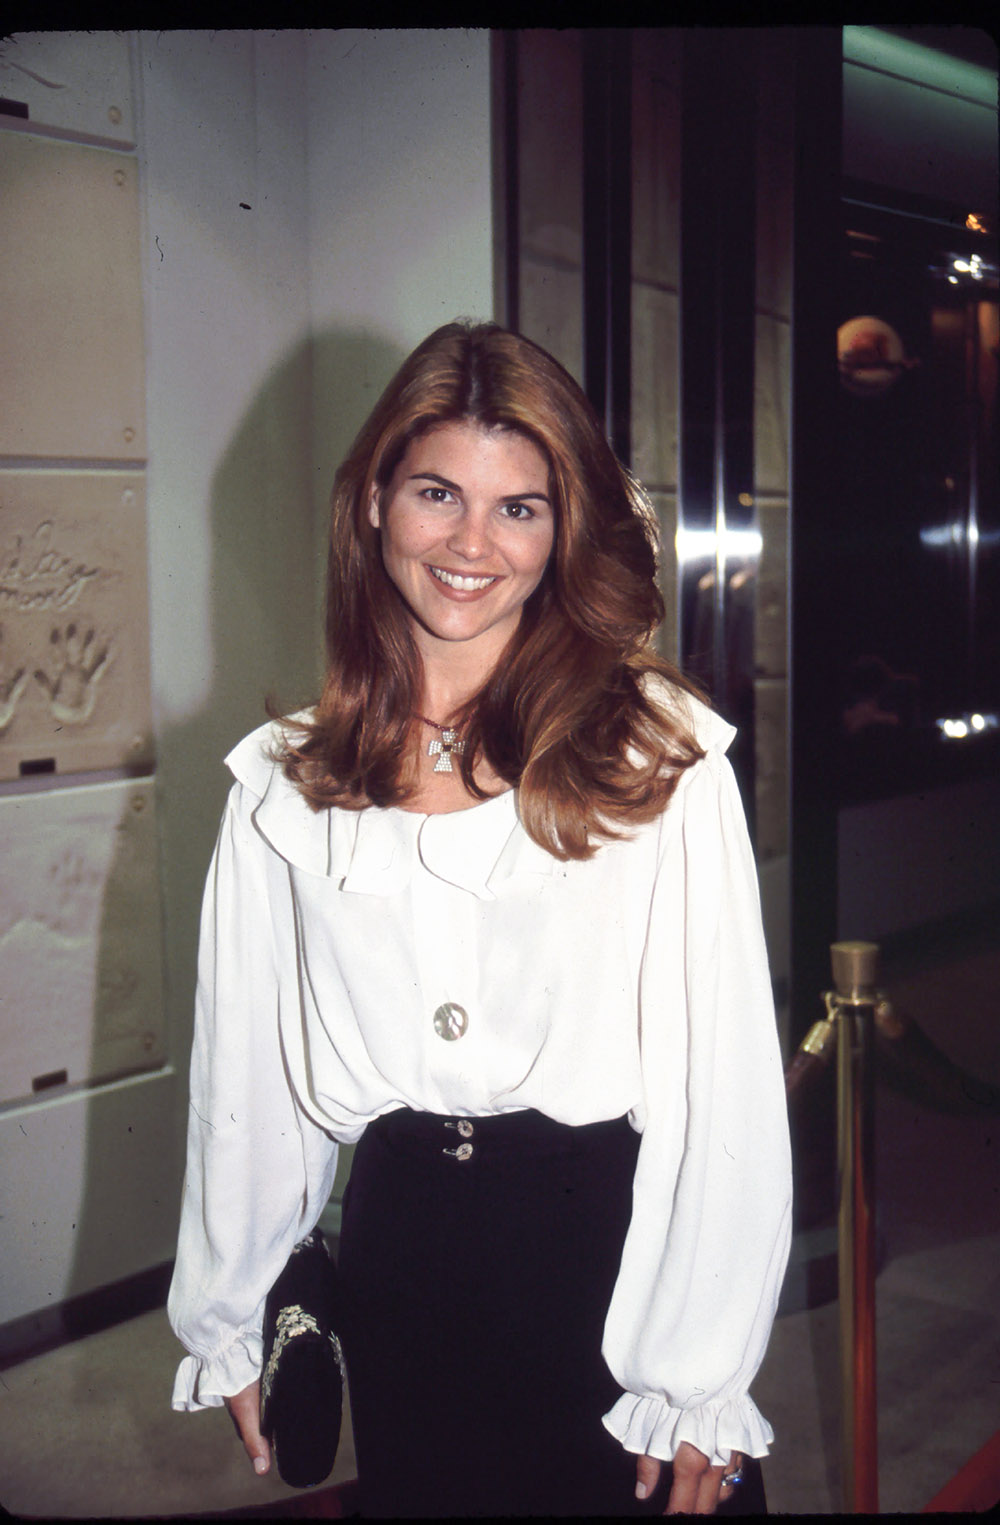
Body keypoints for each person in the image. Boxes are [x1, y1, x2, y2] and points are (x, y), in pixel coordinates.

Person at [167, 320, 792, 1517]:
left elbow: (721, 1088)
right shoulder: (286, 785)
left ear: (563, 532)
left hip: (607, 1254)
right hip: (403, 1255)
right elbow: (247, 1080)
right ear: (373, 504)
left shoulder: (654, 757)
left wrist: (696, 1377)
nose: (471, 543)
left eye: (519, 508)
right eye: (437, 493)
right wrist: (231, 1307)